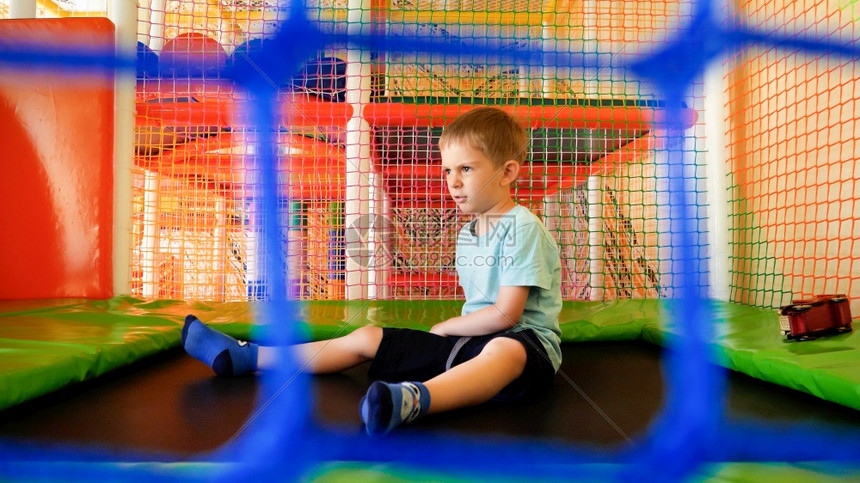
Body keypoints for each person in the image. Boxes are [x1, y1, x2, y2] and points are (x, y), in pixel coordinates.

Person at [182, 106, 563, 435]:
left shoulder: (522, 227)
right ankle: (248, 358)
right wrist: (449, 335)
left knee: (502, 352)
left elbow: (505, 314)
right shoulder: (468, 233)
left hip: (525, 344)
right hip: (468, 342)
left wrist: (446, 328)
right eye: (448, 170)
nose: (454, 182)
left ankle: (416, 400)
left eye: (466, 168)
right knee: (367, 336)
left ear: (508, 172)